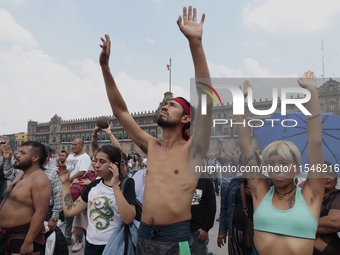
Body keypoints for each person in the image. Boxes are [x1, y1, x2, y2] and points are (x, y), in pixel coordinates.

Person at [99, 5, 212, 254]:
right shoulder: (151, 146)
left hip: (177, 240)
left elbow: (206, 102)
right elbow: (121, 113)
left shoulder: (194, 149)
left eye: (172, 105)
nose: (164, 106)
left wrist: (195, 44)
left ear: (186, 119)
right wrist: (106, 69)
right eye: (164, 104)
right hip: (144, 237)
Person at [236, 73, 325, 255]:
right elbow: (245, 144)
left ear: (298, 167)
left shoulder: (311, 195)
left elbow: (315, 142)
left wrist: (312, 93)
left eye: (284, 163)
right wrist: (239, 103)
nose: (276, 169)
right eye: (270, 164)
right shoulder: (260, 193)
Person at [58, 145, 136, 255]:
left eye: (102, 161)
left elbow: (128, 218)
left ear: (114, 165)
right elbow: (69, 211)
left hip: (115, 245)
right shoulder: (93, 185)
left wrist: (114, 186)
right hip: (91, 246)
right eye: (95, 161)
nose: (96, 165)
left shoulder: (127, 184)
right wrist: (65, 183)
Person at [0, 141, 51, 255]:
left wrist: (28, 243)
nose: (17, 155)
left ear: (35, 157)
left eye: (22, 153)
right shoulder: (21, 174)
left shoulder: (40, 179)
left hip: (22, 238)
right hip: (8, 235)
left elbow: (40, 213)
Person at [3, 143, 63, 233]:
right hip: (23, 210)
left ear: (46, 156)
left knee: (39, 236)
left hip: (46, 212)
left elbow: (58, 195)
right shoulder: (24, 169)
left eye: (23, 153)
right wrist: (7, 160)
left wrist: (54, 218)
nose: (18, 155)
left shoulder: (54, 172)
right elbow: (9, 174)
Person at [62, 138, 91, 252]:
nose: (73, 146)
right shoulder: (70, 156)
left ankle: (79, 242)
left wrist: (68, 179)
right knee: (67, 215)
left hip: (78, 190)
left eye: (76, 145)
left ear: (82, 145)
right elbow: (67, 167)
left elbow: (82, 172)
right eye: (72, 144)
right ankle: (68, 238)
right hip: (68, 189)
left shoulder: (85, 157)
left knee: (77, 217)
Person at [313, 162, 340, 254]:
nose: (325, 177)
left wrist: (294, 225)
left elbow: (334, 222)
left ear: (336, 180)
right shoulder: (308, 197)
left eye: (329, 174)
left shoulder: (338, 195)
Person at [191, 177, 216, 255]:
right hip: (182, 229)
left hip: (198, 231)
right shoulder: (181, 179)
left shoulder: (206, 181)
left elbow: (211, 206)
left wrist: (205, 228)